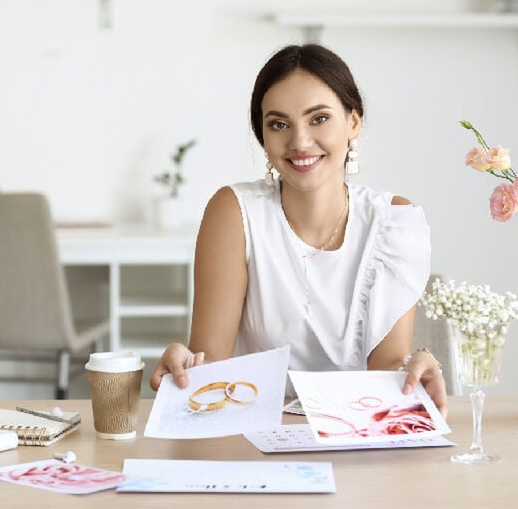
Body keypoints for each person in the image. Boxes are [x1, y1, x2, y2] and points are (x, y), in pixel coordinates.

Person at [150, 43, 447, 415]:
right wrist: (186, 364)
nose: (299, 141)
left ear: (353, 123)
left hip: (356, 436)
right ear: (263, 135)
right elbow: (213, 369)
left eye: (319, 118)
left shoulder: (394, 221)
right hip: (253, 434)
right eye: (279, 124)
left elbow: (387, 370)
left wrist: (413, 366)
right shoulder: (233, 212)